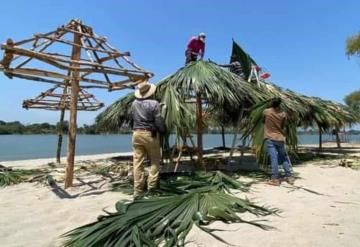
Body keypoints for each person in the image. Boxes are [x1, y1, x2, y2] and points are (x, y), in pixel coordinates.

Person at [131, 82, 165, 199]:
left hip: (136, 134)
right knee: (155, 161)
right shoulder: (154, 103)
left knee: (138, 163)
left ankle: (138, 191)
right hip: (149, 134)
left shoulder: (134, 103)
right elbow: (158, 121)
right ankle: (151, 187)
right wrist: (162, 130)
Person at [263, 98, 294, 186]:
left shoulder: (266, 111)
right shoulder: (283, 114)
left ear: (271, 103)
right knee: (283, 157)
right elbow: (283, 126)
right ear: (279, 105)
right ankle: (289, 177)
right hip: (280, 138)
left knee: (274, 158)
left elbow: (263, 121)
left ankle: (275, 179)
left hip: (270, 138)